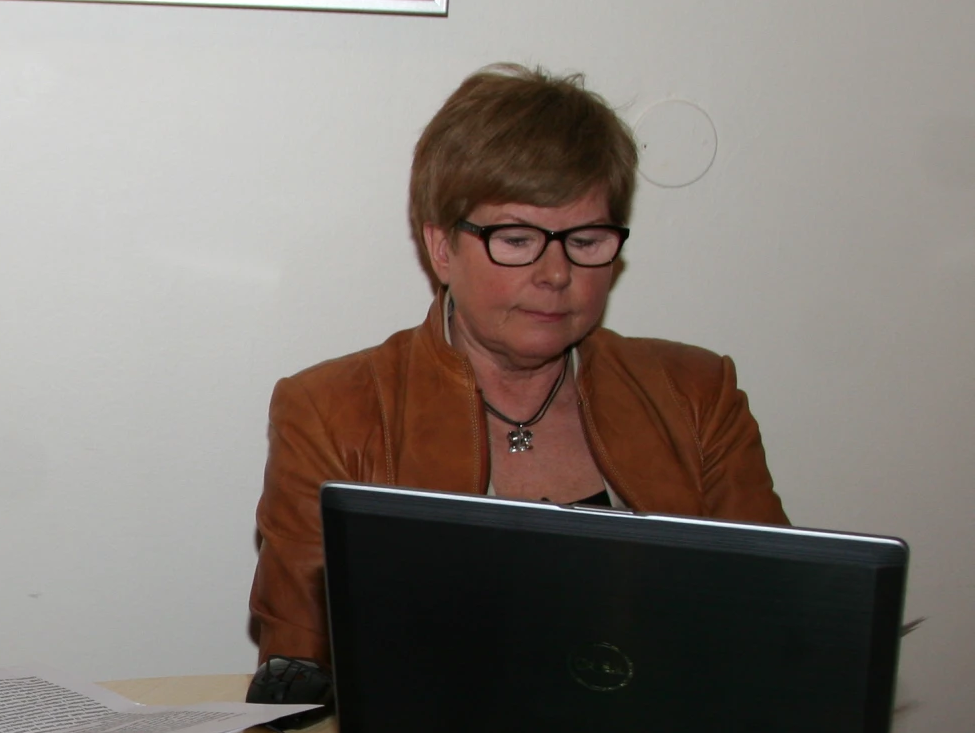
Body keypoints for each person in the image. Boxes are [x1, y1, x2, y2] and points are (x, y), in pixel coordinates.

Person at [249, 64, 788, 670]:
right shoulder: (331, 412)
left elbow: (771, 630)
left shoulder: (694, 395)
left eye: (585, 241)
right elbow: (300, 679)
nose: (556, 274)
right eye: (515, 239)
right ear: (442, 247)